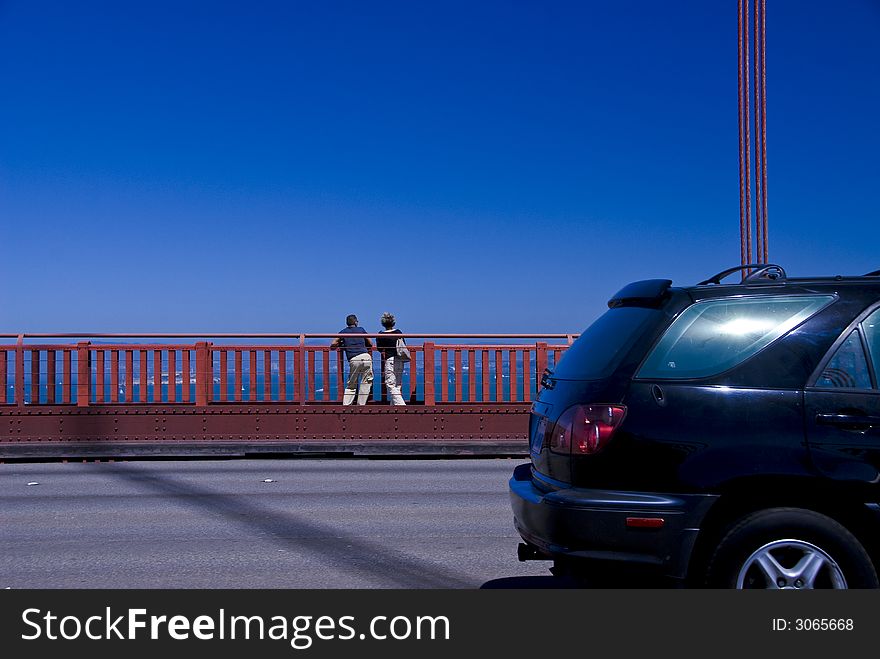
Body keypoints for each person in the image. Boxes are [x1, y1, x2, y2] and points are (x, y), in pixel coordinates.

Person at [330, 314, 373, 405]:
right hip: (366, 356)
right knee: (366, 382)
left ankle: (346, 404)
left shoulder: (343, 332)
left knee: (352, 383)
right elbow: (370, 343)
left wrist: (342, 343)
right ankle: (361, 404)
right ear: (356, 322)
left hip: (354, 359)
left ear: (347, 323)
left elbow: (333, 344)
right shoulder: (361, 330)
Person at [375, 312, 406, 406]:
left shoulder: (380, 335)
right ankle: (394, 407)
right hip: (400, 359)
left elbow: (380, 349)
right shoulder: (398, 332)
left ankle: (402, 406)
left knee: (390, 384)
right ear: (393, 323)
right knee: (397, 384)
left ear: (383, 323)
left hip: (390, 360)